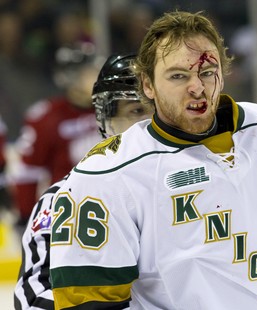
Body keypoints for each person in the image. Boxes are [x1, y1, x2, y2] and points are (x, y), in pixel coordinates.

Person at [49, 11, 257, 310]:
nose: (197, 87)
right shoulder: (107, 174)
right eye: (177, 75)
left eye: (207, 71)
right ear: (147, 85)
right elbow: (88, 300)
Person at [14, 53, 153, 309]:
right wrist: (23, 214)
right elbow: (34, 295)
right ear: (106, 118)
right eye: (135, 111)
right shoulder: (61, 199)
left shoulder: (207, 179)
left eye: (156, 110)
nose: (147, 123)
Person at [11, 42, 103, 233]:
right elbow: (28, 171)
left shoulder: (114, 109)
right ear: (71, 77)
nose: (96, 75)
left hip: (111, 203)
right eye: (89, 71)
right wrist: (27, 215)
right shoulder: (46, 117)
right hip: (64, 213)